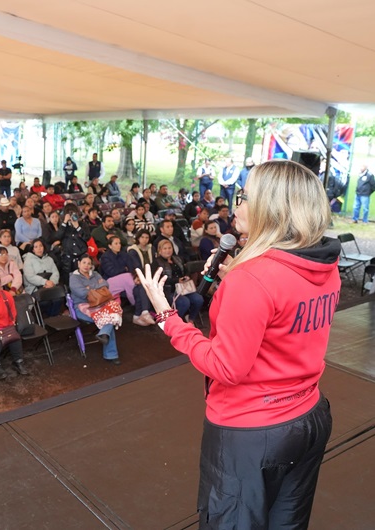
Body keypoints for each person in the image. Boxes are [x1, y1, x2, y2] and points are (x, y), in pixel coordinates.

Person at [135, 159, 338, 528]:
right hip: (309, 416)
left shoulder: (252, 280)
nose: (236, 205)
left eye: (244, 197)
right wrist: (238, 281)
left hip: (252, 432)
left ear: (269, 207)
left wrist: (167, 317)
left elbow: (226, 367)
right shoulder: (322, 264)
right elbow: (287, 316)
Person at [68, 254, 122, 364]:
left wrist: (90, 289)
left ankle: (104, 334)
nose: (86, 266)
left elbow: (106, 285)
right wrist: (97, 288)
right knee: (109, 318)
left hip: (100, 303)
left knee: (114, 308)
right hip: (82, 306)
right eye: (84, 263)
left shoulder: (95, 274)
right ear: (79, 264)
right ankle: (110, 354)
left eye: (89, 263)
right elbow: (82, 293)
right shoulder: (74, 277)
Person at [152, 239, 204, 323]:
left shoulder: (178, 259)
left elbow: (186, 270)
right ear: (160, 250)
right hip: (168, 290)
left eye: (170, 248)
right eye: (165, 248)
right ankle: (175, 322)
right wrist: (176, 280)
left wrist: (186, 276)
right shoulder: (156, 262)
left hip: (183, 288)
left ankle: (190, 320)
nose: (168, 250)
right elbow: (158, 279)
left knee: (198, 299)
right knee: (184, 302)